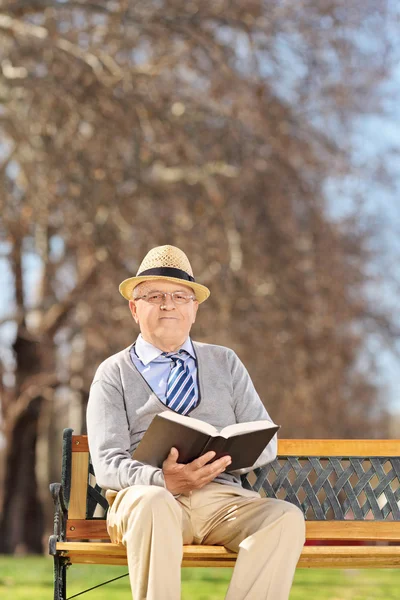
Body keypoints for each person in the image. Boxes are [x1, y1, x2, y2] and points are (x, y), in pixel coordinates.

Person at [87, 244, 305, 600]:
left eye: (179, 296)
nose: (168, 304)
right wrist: (163, 479)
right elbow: (108, 463)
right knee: (154, 503)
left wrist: (225, 455)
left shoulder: (226, 362)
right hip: (148, 503)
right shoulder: (113, 373)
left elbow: (266, 441)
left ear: (194, 309)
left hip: (220, 501)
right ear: (134, 308)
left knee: (285, 518)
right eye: (154, 295)